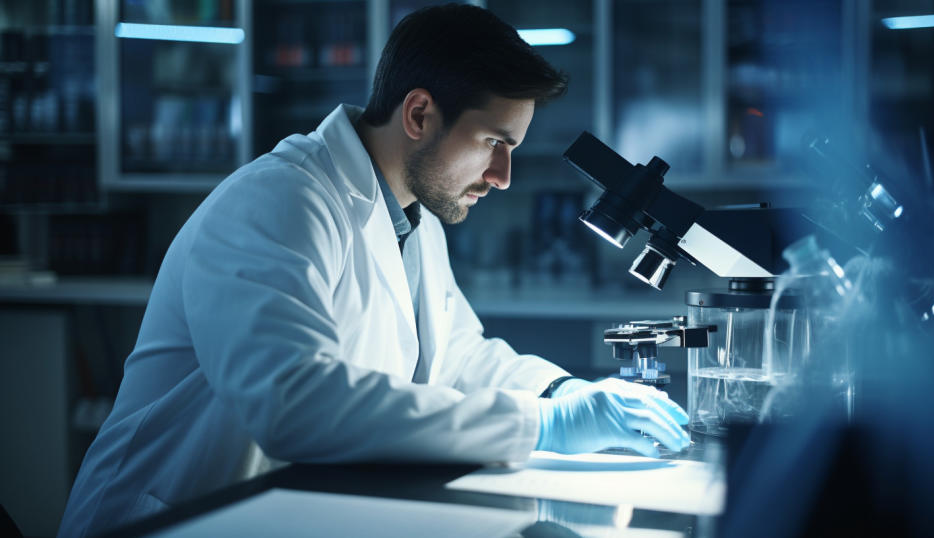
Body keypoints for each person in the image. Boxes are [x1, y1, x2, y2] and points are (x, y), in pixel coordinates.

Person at [58, 5, 689, 536]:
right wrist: (543, 425)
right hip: (171, 522)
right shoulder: (281, 199)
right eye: (494, 143)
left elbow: (462, 358)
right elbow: (294, 403)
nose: (502, 177)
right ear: (418, 115)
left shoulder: (415, 220)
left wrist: (564, 393)